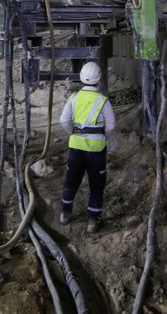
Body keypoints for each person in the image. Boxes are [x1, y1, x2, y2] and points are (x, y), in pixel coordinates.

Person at [59, 61, 116, 233]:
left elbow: (63, 120)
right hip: (96, 150)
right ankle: (93, 220)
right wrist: (101, 136)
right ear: (99, 79)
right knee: (96, 184)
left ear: (82, 78)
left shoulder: (74, 98)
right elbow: (111, 125)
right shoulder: (103, 101)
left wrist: (74, 132)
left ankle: (65, 213)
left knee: (71, 180)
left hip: (76, 147)